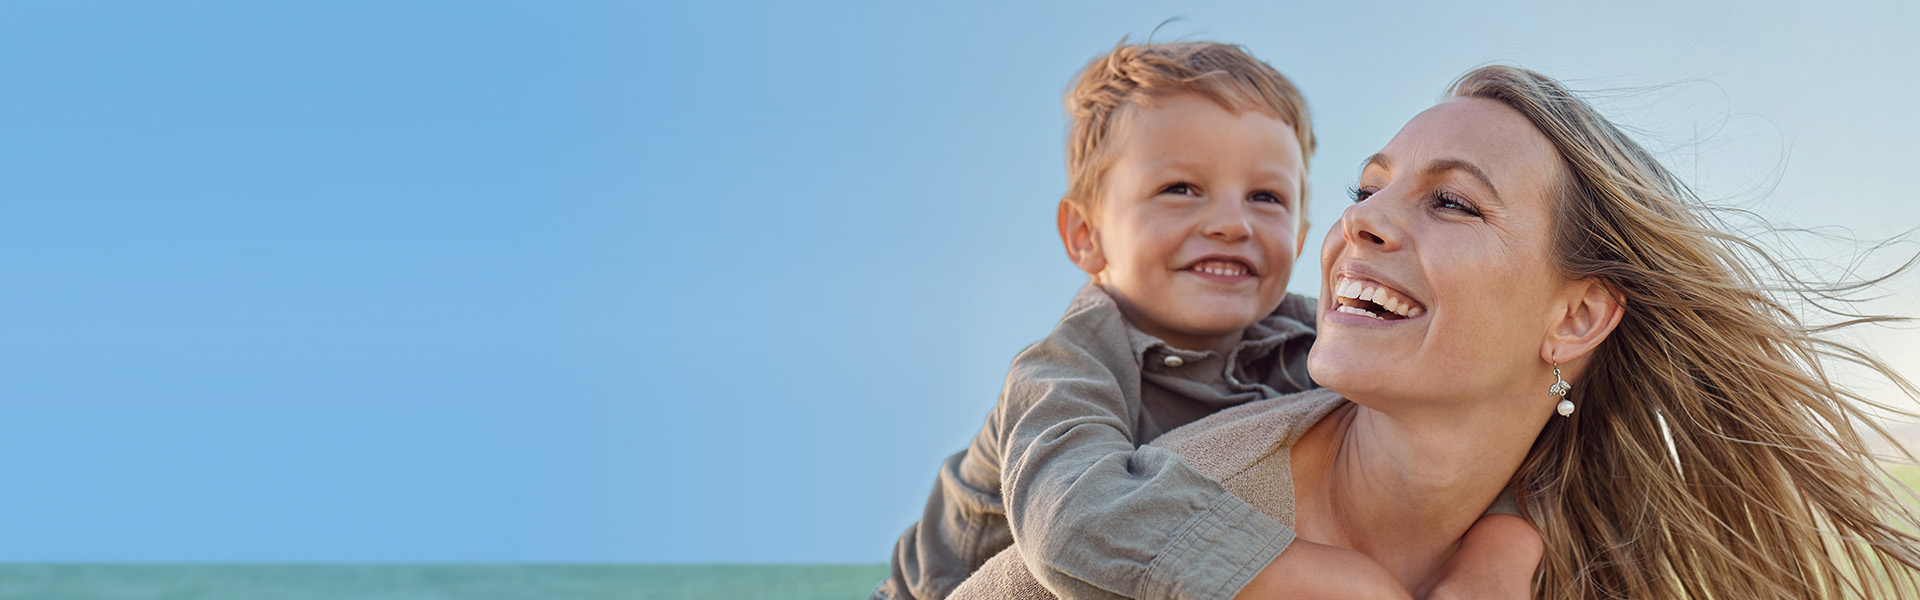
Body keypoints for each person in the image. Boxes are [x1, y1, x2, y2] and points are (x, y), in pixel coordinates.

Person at [947, 64, 1920, 600]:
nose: (1357, 223)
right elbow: (1071, 514)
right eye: (1366, 188)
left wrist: (1509, 547)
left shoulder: (1562, 539)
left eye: (1451, 201)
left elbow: (1542, 430)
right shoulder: (1160, 488)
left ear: (1576, 316)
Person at [876, 41, 1541, 600]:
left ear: (1304, 230)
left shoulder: (1322, 340)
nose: (1231, 223)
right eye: (1181, 189)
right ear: (1086, 236)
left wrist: (1499, 551)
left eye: (1265, 197)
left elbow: (1475, 439)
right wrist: (1317, 574)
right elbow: (1072, 515)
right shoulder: (1067, 364)